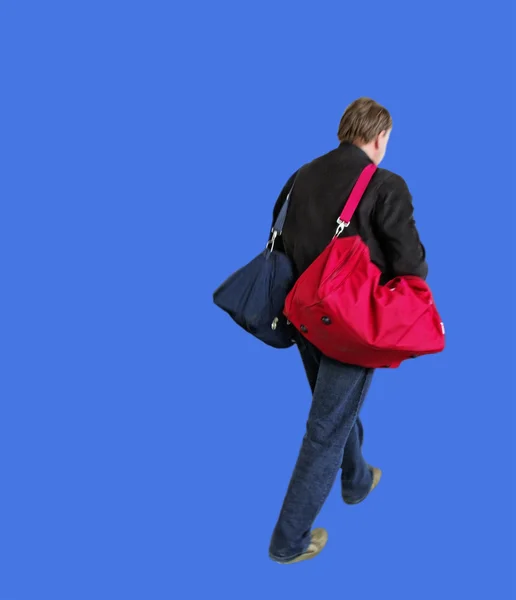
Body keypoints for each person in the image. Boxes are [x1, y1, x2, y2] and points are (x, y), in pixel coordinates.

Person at [268, 97, 428, 565]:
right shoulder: (384, 183)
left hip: (300, 315)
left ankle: (356, 479)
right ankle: (288, 540)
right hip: (348, 327)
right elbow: (412, 263)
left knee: (333, 409)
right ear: (379, 138)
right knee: (325, 427)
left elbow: (278, 236)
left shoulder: (301, 176)